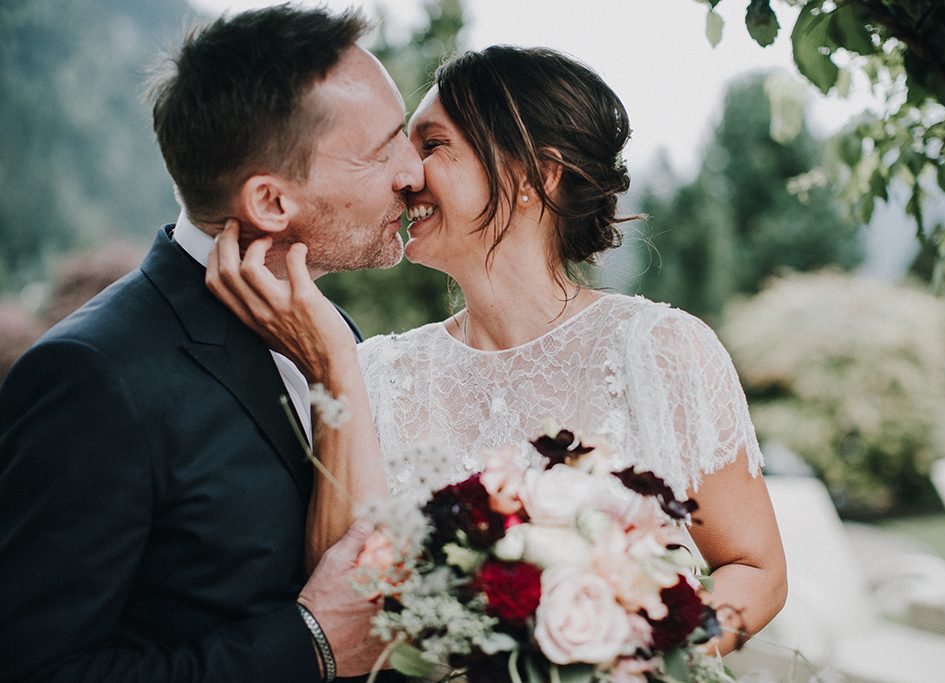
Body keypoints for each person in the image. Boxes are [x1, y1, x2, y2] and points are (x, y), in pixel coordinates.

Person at [209, 46, 787, 656]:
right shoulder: (374, 372)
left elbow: (756, 569)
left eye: (432, 145)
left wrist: (641, 664)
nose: (406, 174)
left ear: (535, 174)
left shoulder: (661, 351)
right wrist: (333, 371)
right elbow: (338, 605)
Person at [0, 5, 421, 682]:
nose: (414, 172)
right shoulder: (92, 376)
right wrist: (306, 644)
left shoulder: (330, 330)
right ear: (271, 204)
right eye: (384, 150)